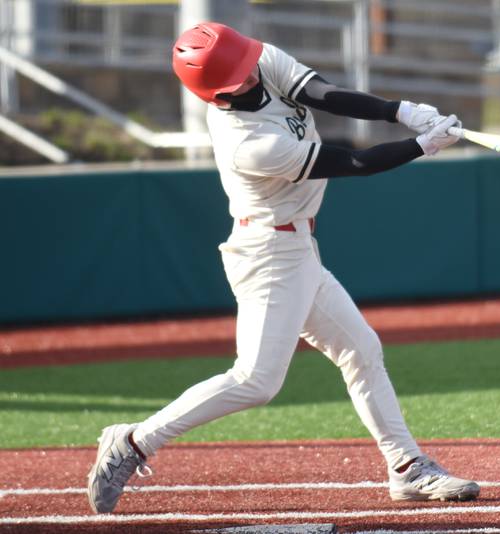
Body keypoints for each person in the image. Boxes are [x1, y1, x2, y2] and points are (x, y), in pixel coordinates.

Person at [87, 22, 479, 514]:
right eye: (239, 76)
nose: (252, 75)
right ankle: (135, 441)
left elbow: (325, 94)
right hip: (268, 255)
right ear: (217, 91)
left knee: (362, 350)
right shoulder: (246, 142)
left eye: (247, 65)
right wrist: (421, 146)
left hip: (299, 248)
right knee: (256, 380)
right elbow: (353, 162)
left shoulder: (254, 59)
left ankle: (406, 467)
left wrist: (400, 111)